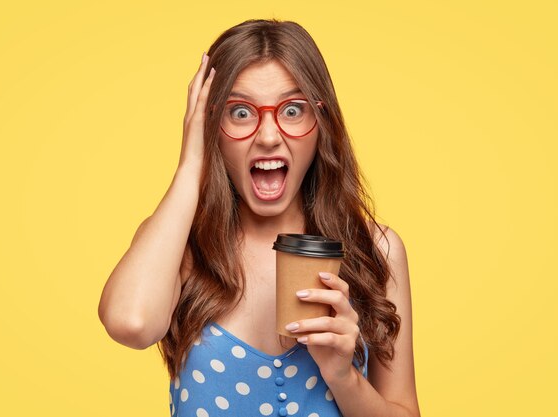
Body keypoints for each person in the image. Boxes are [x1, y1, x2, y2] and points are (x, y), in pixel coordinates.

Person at [98, 19, 420, 417]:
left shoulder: (377, 250)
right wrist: (190, 164)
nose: (268, 136)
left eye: (293, 109)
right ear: (211, 125)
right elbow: (130, 324)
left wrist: (343, 376)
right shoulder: (178, 243)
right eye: (240, 112)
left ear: (321, 123)